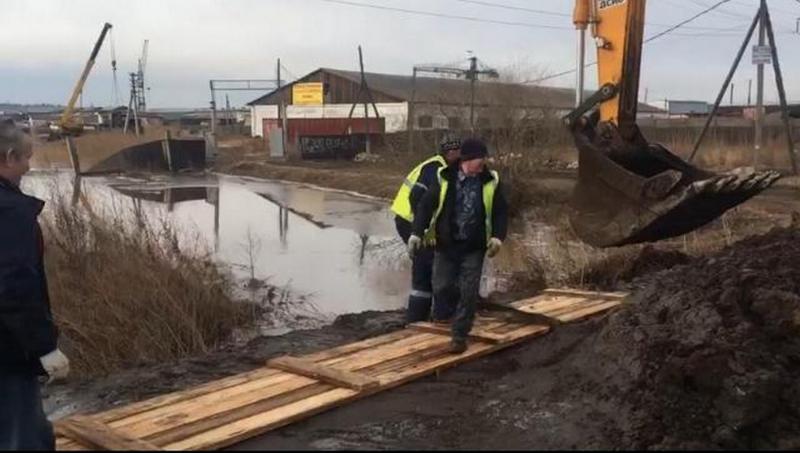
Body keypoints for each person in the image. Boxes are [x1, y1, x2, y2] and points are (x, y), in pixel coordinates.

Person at [0, 120, 69, 450]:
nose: (29, 166)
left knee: (33, 430)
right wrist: (44, 347)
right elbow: (14, 286)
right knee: (22, 435)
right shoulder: (9, 211)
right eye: (26, 158)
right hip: (7, 350)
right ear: (9, 157)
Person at [409, 138, 508, 354]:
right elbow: (426, 206)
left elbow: (501, 211)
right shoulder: (445, 178)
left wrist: (498, 237)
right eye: (480, 160)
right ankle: (449, 313)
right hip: (446, 245)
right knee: (441, 286)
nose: (483, 165)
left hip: (474, 246)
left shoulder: (490, 180)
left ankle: (459, 335)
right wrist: (417, 233)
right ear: (467, 159)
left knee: (469, 292)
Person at [390, 136, 461, 323]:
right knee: (430, 265)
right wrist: (421, 231)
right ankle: (429, 317)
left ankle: (424, 316)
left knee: (430, 266)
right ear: (446, 153)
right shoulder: (435, 169)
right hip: (410, 222)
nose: (457, 156)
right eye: (453, 152)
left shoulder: (447, 169)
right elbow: (417, 199)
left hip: (415, 222)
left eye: (459, 152)